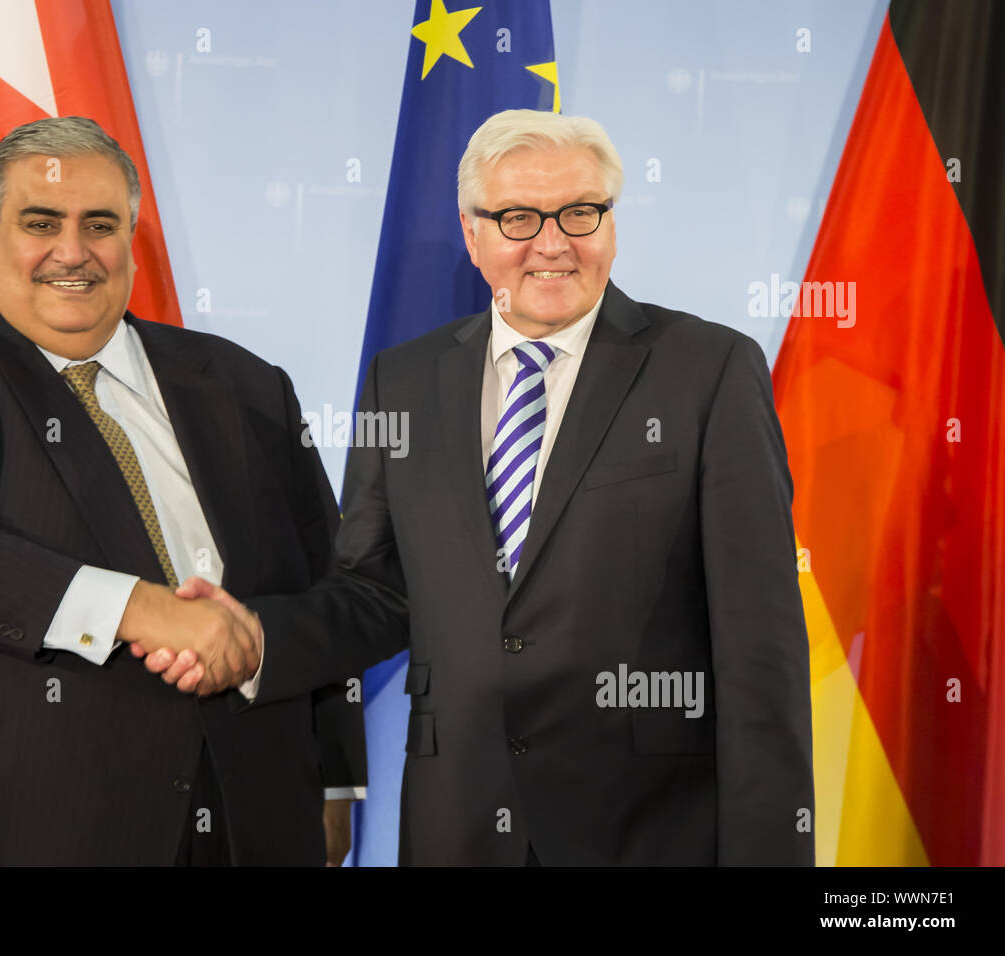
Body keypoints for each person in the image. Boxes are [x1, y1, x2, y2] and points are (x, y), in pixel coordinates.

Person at [155, 109, 815, 866]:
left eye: (580, 211)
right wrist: (256, 637)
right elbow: (375, 591)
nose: (554, 241)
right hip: (458, 824)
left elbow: (759, 648)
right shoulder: (400, 379)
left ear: (611, 222)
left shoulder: (710, 369)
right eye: (518, 217)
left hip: (647, 830)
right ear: (473, 236)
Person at [0, 116, 364, 866]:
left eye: (99, 225)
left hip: (247, 824)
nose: (72, 252)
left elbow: (331, 586)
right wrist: (143, 610)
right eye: (41, 222)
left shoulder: (248, 387)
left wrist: (332, 785)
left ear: (131, 236)